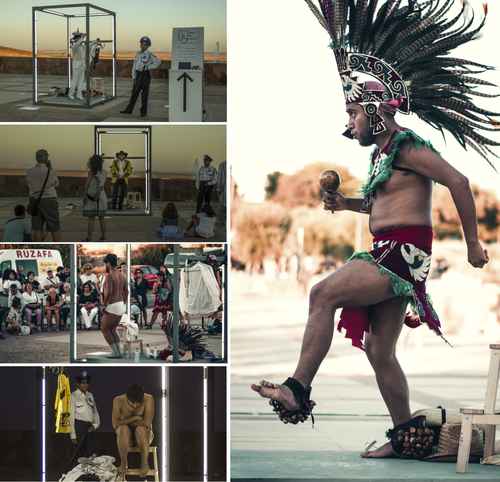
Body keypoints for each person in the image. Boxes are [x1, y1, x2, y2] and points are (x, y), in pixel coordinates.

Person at [252, 0, 492, 460]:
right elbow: (386, 207)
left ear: (377, 111)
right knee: (380, 352)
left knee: (322, 294)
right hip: (394, 249)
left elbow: (457, 181)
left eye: (353, 114)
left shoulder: (407, 145)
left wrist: (474, 243)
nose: (348, 123)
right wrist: (346, 204)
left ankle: (297, 389)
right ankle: (407, 437)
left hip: (399, 254)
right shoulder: (384, 154)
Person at [112, 384, 155, 479]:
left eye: (138, 404)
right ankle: (123, 462)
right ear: (126, 398)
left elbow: (147, 423)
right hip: (125, 436)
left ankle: (144, 462)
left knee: (141, 429)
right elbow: (115, 424)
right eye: (132, 403)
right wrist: (135, 418)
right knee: (123, 429)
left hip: (143, 434)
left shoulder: (148, 399)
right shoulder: (118, 400)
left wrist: (124, 421)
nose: (135, 406)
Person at [120, 36, 161, 117]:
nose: (143, 45)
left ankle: (143, 112)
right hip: (138, 75)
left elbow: (158, 62)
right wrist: (134, 76)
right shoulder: (138, 54)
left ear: (148, 45)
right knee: (134, 94)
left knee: (144, 95)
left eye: (145, 44)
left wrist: (148, 67)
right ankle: (129, 110)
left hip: (145, 75)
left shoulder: (149, 54)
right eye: (142, 43)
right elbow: (134, 66)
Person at [26, 149, 61, 241]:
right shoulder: (51, 171)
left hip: (35, 200)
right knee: (54, 227)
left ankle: (38, 245)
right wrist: (50, 167)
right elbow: (56, 183)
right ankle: (57, 245)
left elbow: (29, 186)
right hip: (49, 200)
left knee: (37, 227)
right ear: (46, 158)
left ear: (36, 158)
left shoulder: (29, 171)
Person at [101, 254, 128, 358]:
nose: (105, 266)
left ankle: (115, 352)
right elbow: (127, 291)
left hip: (112, 305)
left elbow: (109, 292)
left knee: (104, 329)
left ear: (108, 263)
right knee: (112, 329)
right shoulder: (122, 275)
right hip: (121, 304)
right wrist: (123, 303)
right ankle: (118, 352)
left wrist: (104, 305)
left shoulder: (109, 276)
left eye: (105, 264)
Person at [69, 371, 100, 461]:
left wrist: (95, 425)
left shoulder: (90, 395)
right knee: (79, 454)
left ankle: (88, 474)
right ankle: (73, 474)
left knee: (91, 454)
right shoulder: (73, 396)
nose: (85, 385)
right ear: (78, 384)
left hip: (89, 427)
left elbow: (95, 412)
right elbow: (70, 416)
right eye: (83, 383)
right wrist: (73, 435)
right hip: (79, 427)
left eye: (87, 383)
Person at [68, 30, 102, 101]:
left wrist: (95, 41)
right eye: (78, 38)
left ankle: (79, 94)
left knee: (81, 80)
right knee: (75, 80)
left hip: (82, 65)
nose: (80, 39)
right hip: (76, 65)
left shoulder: (83, 46)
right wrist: (82, 37)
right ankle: (70, 94)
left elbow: (89, 45)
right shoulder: (74, 46)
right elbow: (77, 44)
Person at [83, 154, 108, 241]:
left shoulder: (91, 172)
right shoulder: (104, 172)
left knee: (91, 218)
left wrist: (85, 196)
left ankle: (89, 237)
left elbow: (87, 185)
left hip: (91, 197)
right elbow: (101, 186)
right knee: (102, 218)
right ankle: (103, 236)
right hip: (101, 197)